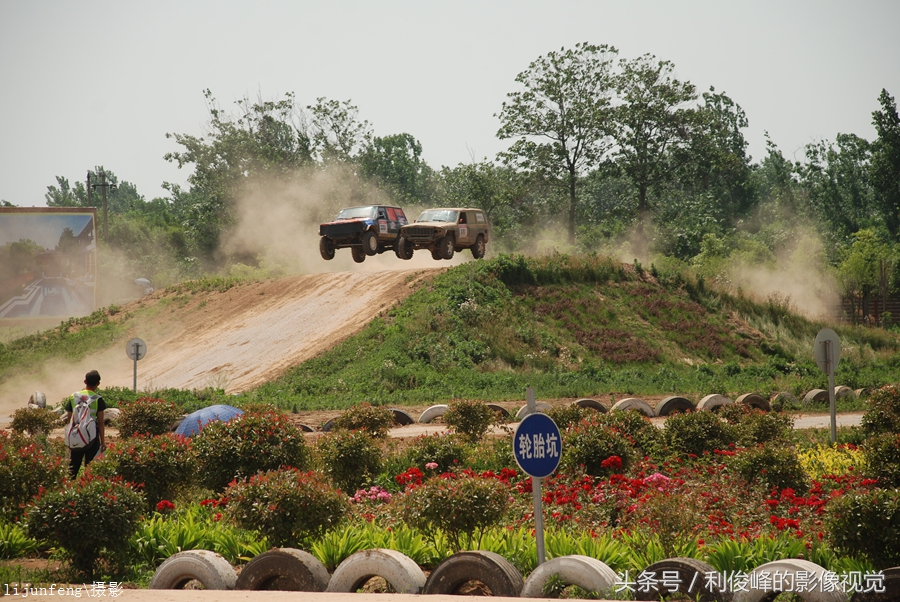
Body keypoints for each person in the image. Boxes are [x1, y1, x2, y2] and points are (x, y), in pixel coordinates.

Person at [64, 370, 106, 477]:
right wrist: (103, 442)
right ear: (98, 384)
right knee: (90, 467)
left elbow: (69, 419)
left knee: (73, 466)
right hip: (92, 436)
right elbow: (101, 423)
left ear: (85, 381)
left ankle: (68, 485)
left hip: (76, 434)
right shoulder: (98, 399)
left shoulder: (73, 396)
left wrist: (68, 437)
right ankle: (86, 485)